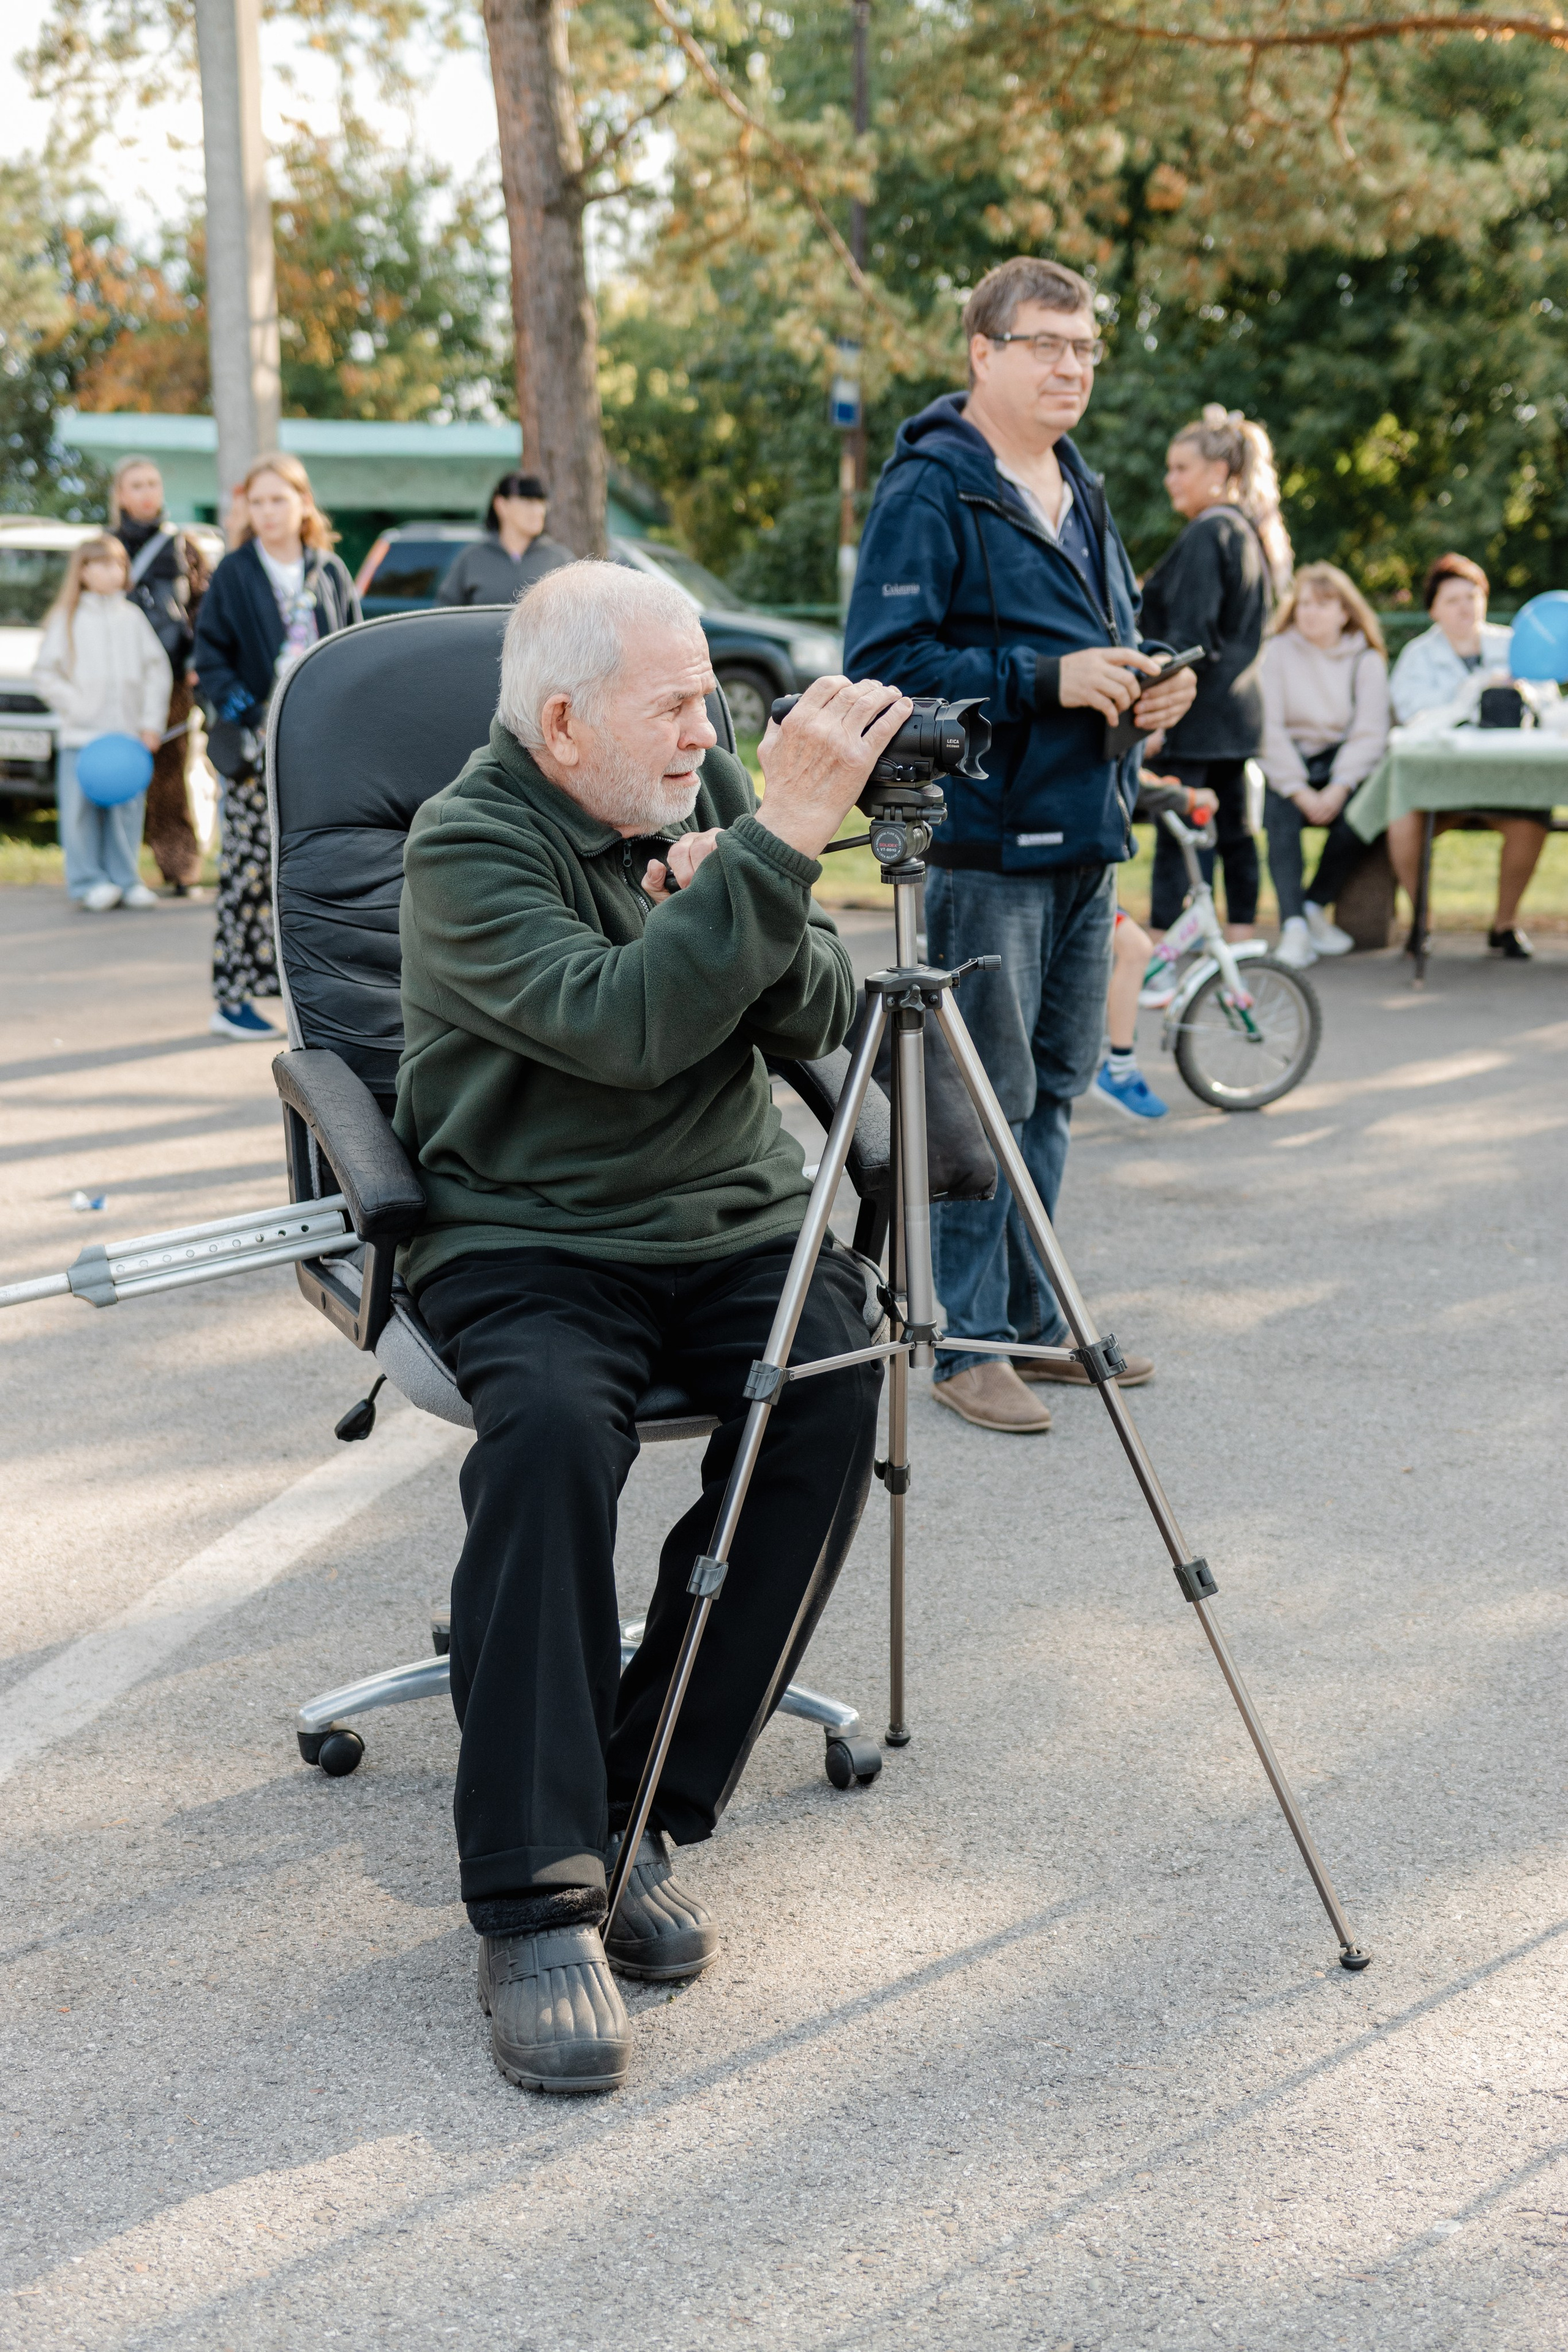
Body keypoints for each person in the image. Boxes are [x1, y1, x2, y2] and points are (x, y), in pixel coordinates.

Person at [394, 560, 903, 2092]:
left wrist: (748, 872)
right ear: (563, 723)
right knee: (550, 1433)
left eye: (710, 699)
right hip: (528, 1230)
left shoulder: (708, 789)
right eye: (675, 701)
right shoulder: (465, 846)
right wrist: (765, 861)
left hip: (727, 1214)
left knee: (830, 1369)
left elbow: (808, 1005)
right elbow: (624, 1029)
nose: (710, 726)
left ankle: (633, 1814)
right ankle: (535, 1897)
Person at [844, 253, 1195, 1434]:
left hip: (1089, 835)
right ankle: (966, 1345)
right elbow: (883, 672)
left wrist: (1149, 686)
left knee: (1052, 1088)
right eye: (1048, 344)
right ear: (982, 353)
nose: (1073, 366)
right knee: (981, 1100)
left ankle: (1034, 1322)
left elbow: (1114, 632)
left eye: (1087, 347)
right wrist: (1047, 679)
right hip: (986, 846)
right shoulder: (931, 489)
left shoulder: (1076, 480)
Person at [192, 453, 361, 1039]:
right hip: (253, 747)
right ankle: (232, 994)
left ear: (302, 504)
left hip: (320, 742)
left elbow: (352, 647)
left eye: (278, 500)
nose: (267, 512)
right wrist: (252, 712)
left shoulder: (329, 569)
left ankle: (317, 993)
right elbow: (208, 655)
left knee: (319, 865)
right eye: (256, 502)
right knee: (246, 868)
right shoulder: (236, 571)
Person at [1137, 404, 1292, 945]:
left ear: (1219, 473)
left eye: (1181, 468)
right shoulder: (1249, 533)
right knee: (1235, 834)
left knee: (1181, 835)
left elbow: (1187, 639)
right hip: (1238, 712)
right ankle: (1244, 944)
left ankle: (1162, 955)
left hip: (1197, 713)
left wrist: (1158, 718)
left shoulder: (1208, 534)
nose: (1170, 479)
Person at [1387, 552, 1545, 957]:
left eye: (1472, 597)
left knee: (1532, 818)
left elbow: (1551, 711)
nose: (1465, 608)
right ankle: (1422, 921)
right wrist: (1467, 696)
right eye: (1453, 600)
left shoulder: (1515, 648)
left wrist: (1526, 695)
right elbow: (1413, 721)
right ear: (1434, 609)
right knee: (1402, 819)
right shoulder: (1417, 657)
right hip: (1440, 782)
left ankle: (1504, 925)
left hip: (1505, 781)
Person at [1257, 563, 1390, 970]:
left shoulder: (1366, 660)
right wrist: (1298, 788)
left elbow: (1370, 733)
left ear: (1345, 612)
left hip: (1343, 762)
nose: (1310, 612)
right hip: (1290, 758)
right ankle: (1294, 924)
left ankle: (1315, 904)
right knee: (1279, 812)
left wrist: (1339, 786)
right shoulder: (1276, 652)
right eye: (1304, 605)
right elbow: (1268, 728)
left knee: (1363, 816)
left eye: (1322, 604)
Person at [32, 535, 172, 913]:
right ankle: (88, 882)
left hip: (126, 738)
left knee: (127, 810)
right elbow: (46, 674)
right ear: (83, 571)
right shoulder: (67, 619)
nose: (112, 571)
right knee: (80, 813)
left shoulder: (133, 619)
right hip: (82, 738)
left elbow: (158, 672)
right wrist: (76, 706)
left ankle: (127, 880)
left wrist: (150, 723)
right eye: (102, 564)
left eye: (118, 564)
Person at [108, 455, 209, 894]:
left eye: (153, 483)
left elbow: (204, 609)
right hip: (117, 678)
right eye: (136, 485)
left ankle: (179, 868)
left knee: (169, 774)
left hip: (170, 679)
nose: (147, 492)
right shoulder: (105, 547)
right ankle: (117, 869)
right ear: (120, 495)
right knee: (120, 771)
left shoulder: (184, 546)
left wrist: (196, 664)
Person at [1096, 773, 1219, 1115]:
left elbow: (1130, 771)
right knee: (1136, 950)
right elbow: (1125, 774)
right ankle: (1119, 1070)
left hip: (1081, 861)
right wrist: (1188, 797)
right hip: (1072, 865)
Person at [437, 472, 575, 606]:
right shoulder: (472, 559)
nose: (538, 510)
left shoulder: (561, 560)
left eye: (541, 502)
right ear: (501, 505)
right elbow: (445, 614)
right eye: (528, 501)